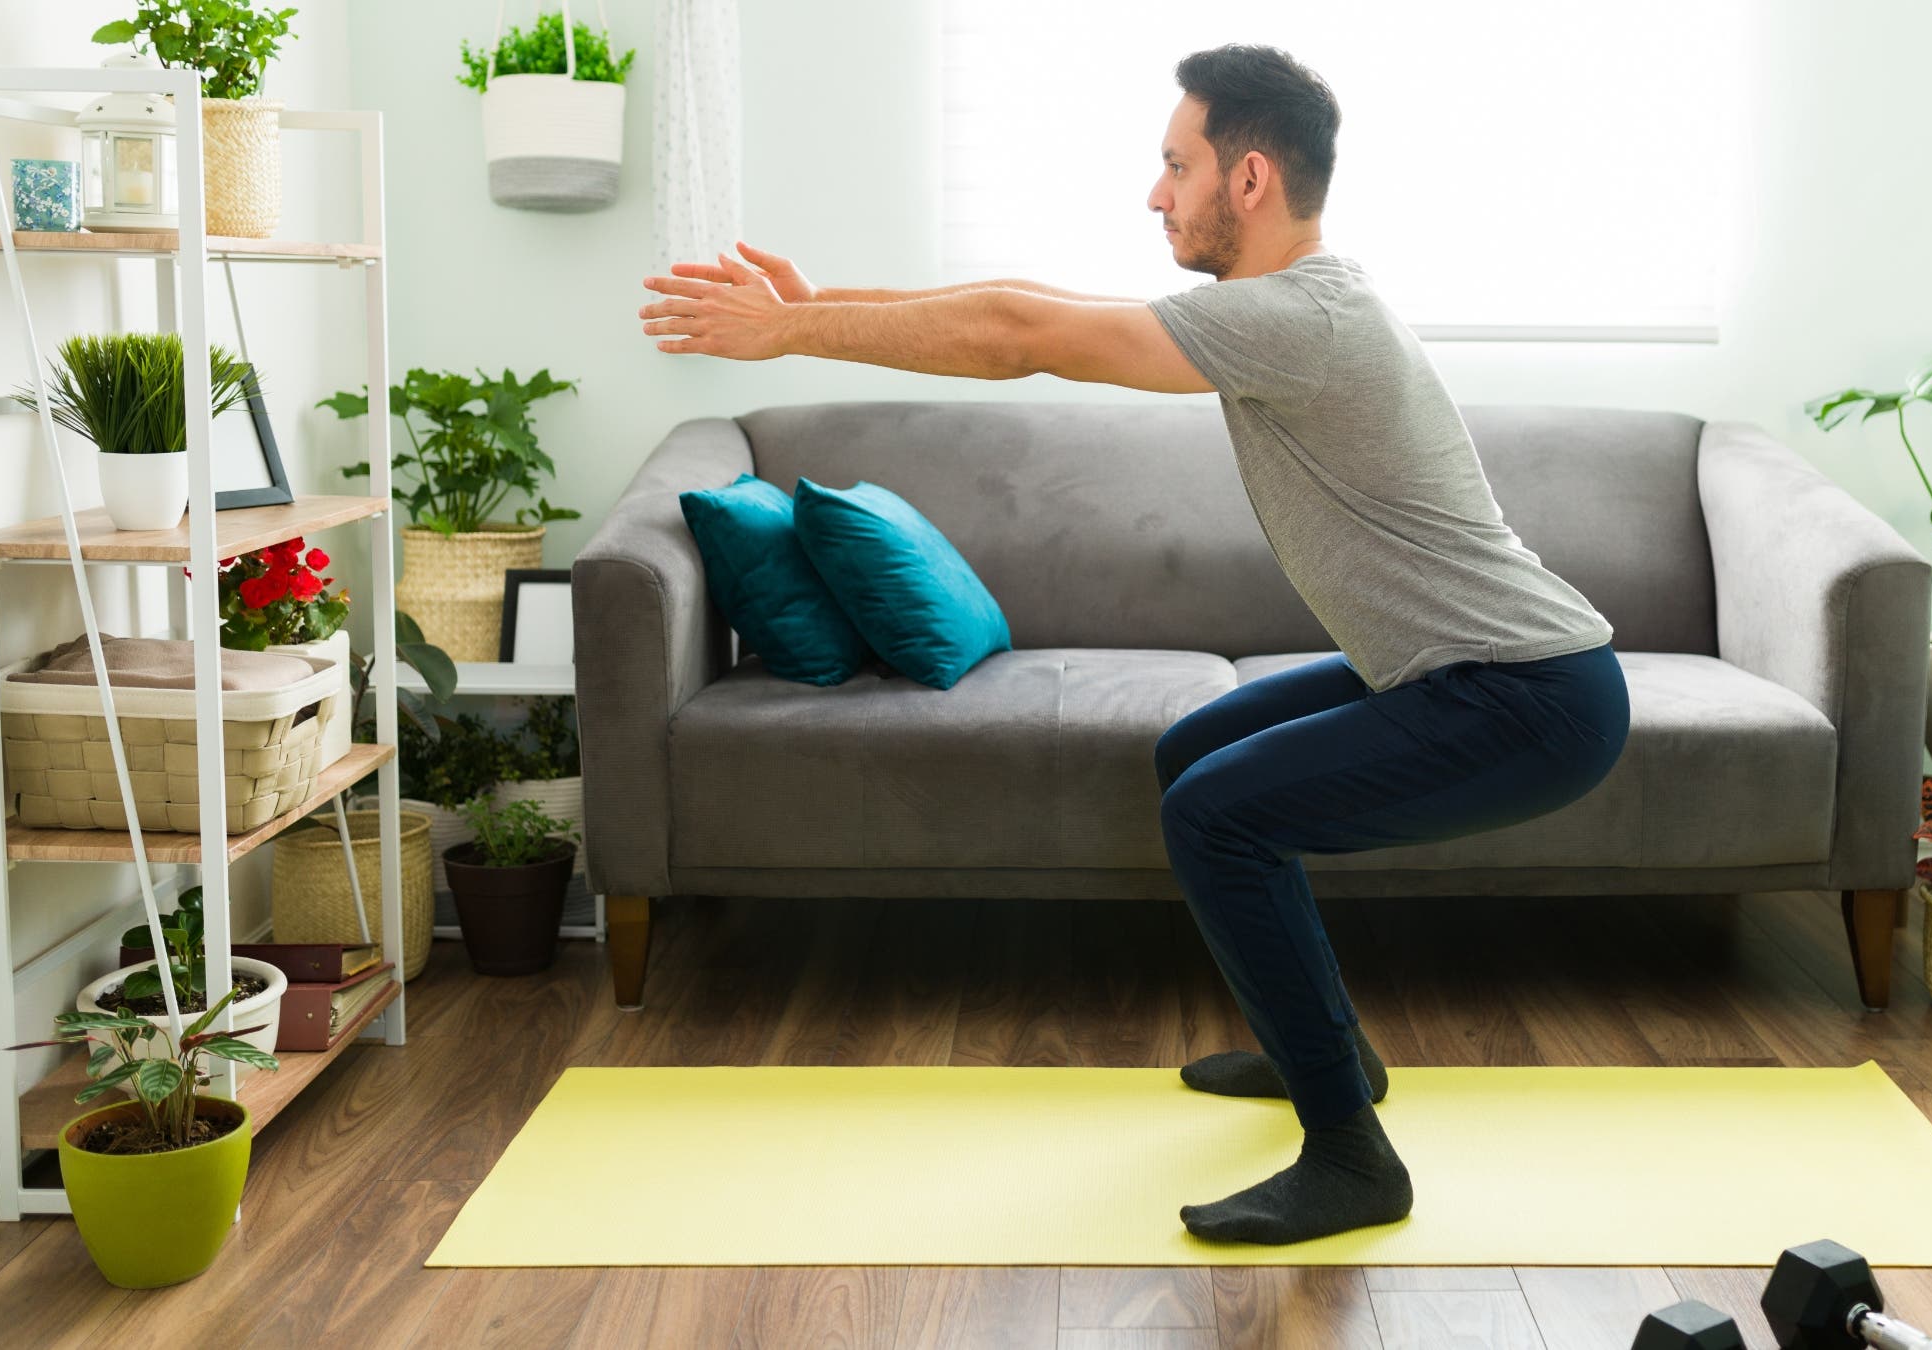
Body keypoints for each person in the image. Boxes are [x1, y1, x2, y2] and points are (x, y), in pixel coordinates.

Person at [637, 43, 1631, 1246]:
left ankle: (1353, 1159)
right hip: (1471, 677)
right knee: (1196, 753)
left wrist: (791, 336)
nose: (1156, 193)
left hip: (1527, 698)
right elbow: (1028, 306)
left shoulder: (1297, 320)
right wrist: (804, 313)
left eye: (1177, 164)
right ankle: (1332, 1054)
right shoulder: (1291, 305)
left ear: (1249, 178)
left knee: (1217, 815)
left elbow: (1022, 334)